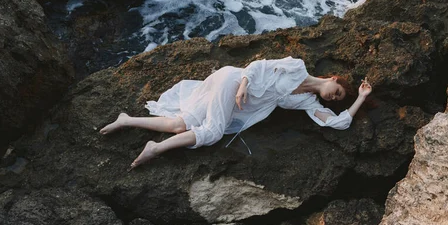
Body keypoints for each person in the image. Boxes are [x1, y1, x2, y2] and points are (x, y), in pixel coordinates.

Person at [100, 56, 372, 169]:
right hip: (233, 81)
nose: (332, 97)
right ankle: (154, 149)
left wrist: (359, 98)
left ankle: (126, 120)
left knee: (179, 124)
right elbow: (258, 65)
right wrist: (243, 85)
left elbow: (338, 123)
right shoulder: (298, 66)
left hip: (233, 99)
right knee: (213, 132)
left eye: (336, 99)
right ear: (333, 79)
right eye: (336, 91)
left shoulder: (308, 104)